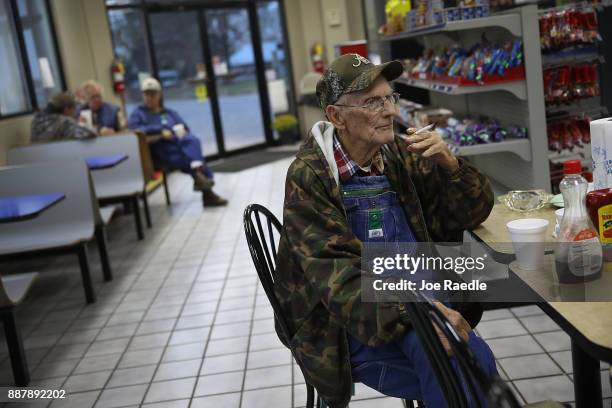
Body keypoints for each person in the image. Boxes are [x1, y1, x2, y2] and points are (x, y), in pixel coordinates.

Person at [274, 54, 497, 407]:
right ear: (336, 116)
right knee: (461, 364)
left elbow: (472, 213)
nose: (390, 111)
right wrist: (421, 313)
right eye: (372, 102)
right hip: (345, 322)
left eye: (390, 98)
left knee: (470, 364)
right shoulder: (310, 176)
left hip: (418, 294)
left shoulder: (398, 154)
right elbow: (341, 281)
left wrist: (451, 165)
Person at [128, 78, 227, 207]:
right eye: (146, 94)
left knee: (192, 140)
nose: (149, 98)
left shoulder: (169, 113)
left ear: (159, 95)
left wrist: (181, 131)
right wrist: (160, 131)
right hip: (159, 151)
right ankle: (204, 184)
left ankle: (199, 175)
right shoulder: (139, 114)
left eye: (152, 94)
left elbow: (184, 127)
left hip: (177, 146)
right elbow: (135, 129)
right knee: (190, 157)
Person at [31, 92, 97, 143]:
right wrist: (81, 124)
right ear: (66, 109)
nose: (74, 112)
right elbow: (90, 135)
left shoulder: (36, 119)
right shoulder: (65, 122)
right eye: (74, 108)